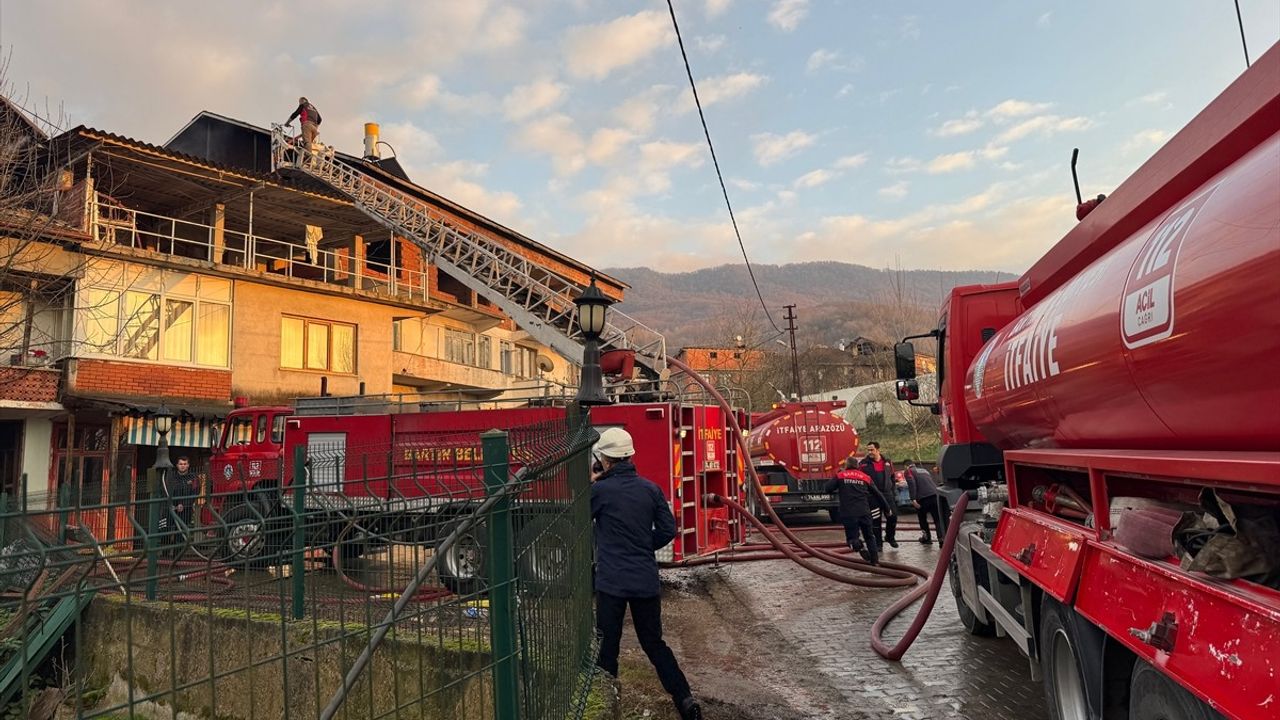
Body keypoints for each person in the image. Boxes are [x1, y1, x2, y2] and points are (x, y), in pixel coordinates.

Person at [591, 427, 702, 720]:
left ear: (605, 459)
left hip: (611, 582)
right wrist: (643, 545)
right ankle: (685, 699)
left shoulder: (600, 491)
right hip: (644, 581)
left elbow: (579, 520)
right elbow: (668, 529)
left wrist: (593, 483)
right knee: (654, 644)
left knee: (607, 644)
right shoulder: (651, 489)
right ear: (629, 455)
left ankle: (608, 702)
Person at [825, 457, 892, 566]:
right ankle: (875, 561)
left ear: (846, 465)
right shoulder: (865, 477)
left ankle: (859, 546)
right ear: (857, 466)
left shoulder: (841, 475)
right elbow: (878, 494)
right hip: (864, 512)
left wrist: (837, 474)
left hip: (848, 513)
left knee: (852, 538)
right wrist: (887, 508)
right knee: (870, 536)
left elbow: (827, 488)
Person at [858, 442, 898, 549]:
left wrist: (893, 491)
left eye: (872, 450)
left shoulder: (888, 462)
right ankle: (878, 544)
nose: (870, 452)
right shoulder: (863, 464)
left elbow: (892, 477)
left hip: (887, 494)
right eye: (868, 450)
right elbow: (860, 479)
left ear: (878, 450)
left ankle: (890, 537)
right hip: (873, 496)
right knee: (876, 520)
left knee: (893, 517)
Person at [163, 455, 199, 556]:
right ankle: (164, 556)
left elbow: (195, 493)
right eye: (180, 464)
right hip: (170, 509)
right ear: (177, 465)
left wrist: (184, 504)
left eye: (185, 464)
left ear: (188, 465)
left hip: (185, 510)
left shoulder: (194, 478)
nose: (182, 466)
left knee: (181, 534)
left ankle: (177, 556)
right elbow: (166, 492)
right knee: (166, 531)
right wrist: (173, 505)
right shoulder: (171, 477)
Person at [905, 459, 944, 544]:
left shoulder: (909, 471)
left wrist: (913, 499)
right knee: (937, 519)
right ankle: (941, 538)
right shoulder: (924, 470)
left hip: (922, 498)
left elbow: (912, 484)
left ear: (906, 466)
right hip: (934, 495)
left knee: (922, 519)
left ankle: (927, 538)